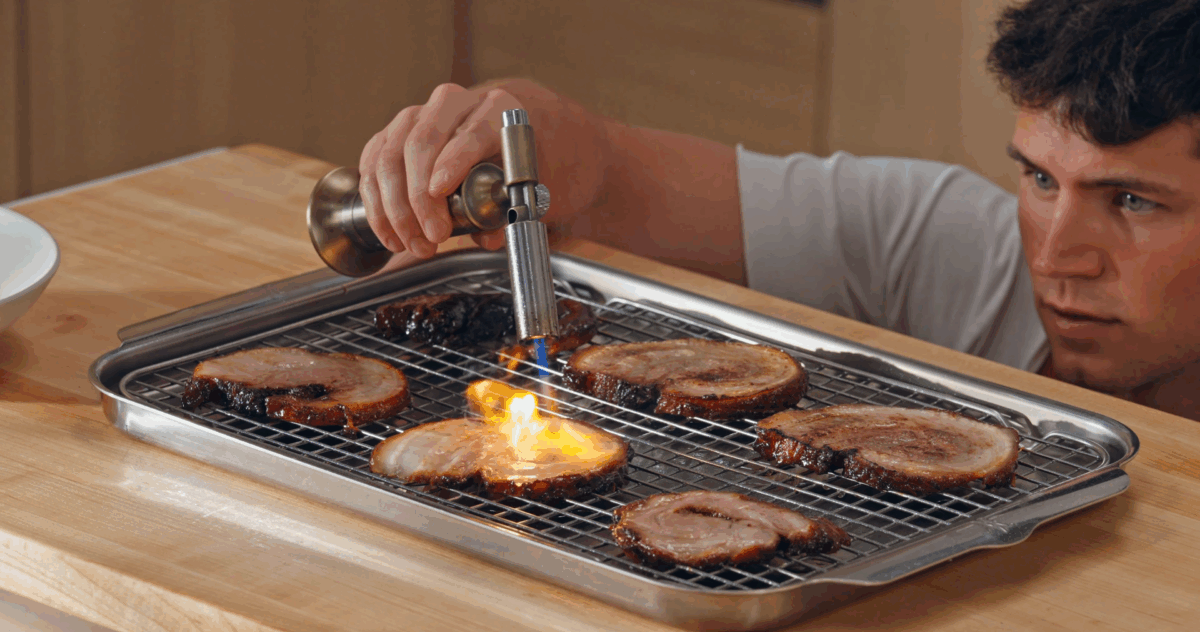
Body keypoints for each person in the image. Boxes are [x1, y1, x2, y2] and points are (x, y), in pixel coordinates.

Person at [355, 0, 1200, 421]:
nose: (1055, 256)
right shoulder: (947, 240)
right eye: (1042, 181)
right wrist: (491, 137)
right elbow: (597, 167)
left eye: (1131, 201)